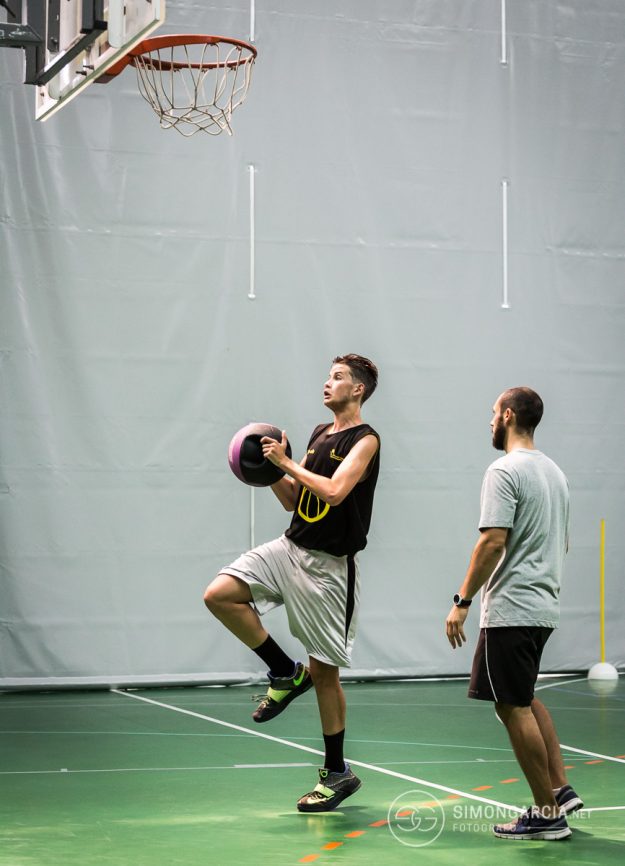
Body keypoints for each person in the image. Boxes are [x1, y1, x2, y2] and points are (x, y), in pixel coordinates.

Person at [204, 354, 380, 812]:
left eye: (338, 378)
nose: (328, 383)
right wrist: (268, 470)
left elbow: (335, 492)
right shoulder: (321, 435)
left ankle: (337, 772)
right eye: (328, 375)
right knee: (220, 594)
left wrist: (286, 462)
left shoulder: (366, 440)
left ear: (358, 390)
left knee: (325, 673)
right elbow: (295, 500)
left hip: (329, 569)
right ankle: (283, 671)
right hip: (290, 548)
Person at [445, 387, 583, 841]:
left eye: (492, 414)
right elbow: (560, 542)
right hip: (543, 605)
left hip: (512, 607)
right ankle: (560, 790)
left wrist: (462, 601)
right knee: (522, 696)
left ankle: (546, 814)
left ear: (507, 415)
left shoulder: (503, 469)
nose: (489, 423)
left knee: (511, 705)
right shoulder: (555, 473)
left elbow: (492, 542)